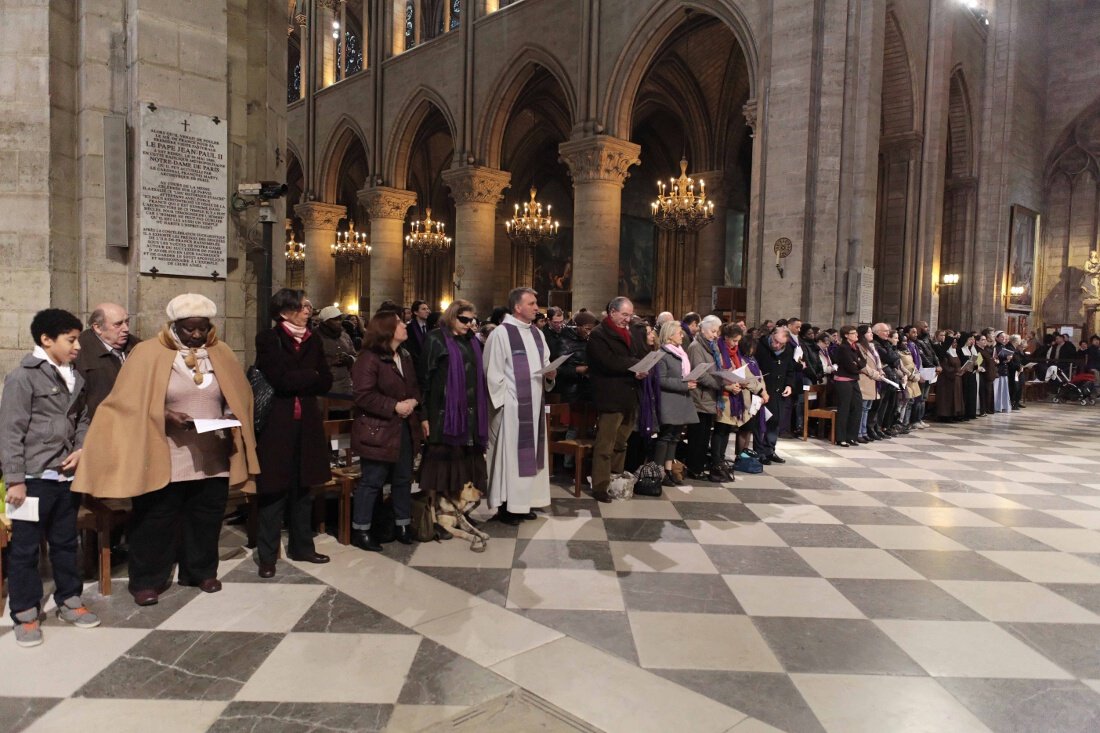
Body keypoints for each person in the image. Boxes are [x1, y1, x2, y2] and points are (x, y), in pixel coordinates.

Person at [74, 294, 259, 605]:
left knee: (206, 515)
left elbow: (239, 394)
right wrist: (165, 415)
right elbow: (126, 404)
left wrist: (229, 414)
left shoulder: (220, 351)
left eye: (202, 328)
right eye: (189, 329)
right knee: (155, 518)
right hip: (166, 451)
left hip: (212, 451)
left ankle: (200, 571)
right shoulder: (148, 352)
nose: (197, 335)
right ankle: (147, 580)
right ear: (175, 325)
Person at [1, 309, 97, 647]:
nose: (77, 347)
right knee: (25, 549)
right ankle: (25, 614)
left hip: (65, 477)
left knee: (66, 542)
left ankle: (69, 600)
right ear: (46, 339)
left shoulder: (74, 376)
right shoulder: (23, 377)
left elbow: (83, 419)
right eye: (71, 340)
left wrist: (83, 449)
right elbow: (10, 432)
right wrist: (15, 479)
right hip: (31, 478)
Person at [254, 289, 333, 577]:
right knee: (273, 491)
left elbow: (325, 380)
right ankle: (267, 556)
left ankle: (303, 547)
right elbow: (280, 380)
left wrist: (307, 378)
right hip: (277, 425)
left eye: (307, 306)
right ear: (284, 313)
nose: (307, 311)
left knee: (304, 490)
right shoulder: (268, 339)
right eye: (301, 307)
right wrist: (308, 377)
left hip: (307, 425)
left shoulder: (314, 339)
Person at [350, 310, 424, 550]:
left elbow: (414, 387)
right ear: (387, 329)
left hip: (403, 427)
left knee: (403, 478)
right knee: (373, 480)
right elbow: (363, 395)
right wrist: (394, 406)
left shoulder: (405, 355)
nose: (405, 326)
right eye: (400, 323)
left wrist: (414, 402)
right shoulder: (369, 358)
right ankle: (361, 530)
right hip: (378, 430)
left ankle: (402, 524)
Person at [485, 288, 557, 520]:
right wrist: (506, 402)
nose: (537, 308)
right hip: (512, 408)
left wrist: (551, 374)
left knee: (530, 457)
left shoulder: (537, 333)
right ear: (517, 307)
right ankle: (507, 507)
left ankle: (525, 503)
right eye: (532, 303)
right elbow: (492, 373)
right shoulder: (501, 334)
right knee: (511, 460)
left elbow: (545, 363)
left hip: (534, 406)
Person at [419, 299, 489, 513]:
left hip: (470, 415)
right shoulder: (436, 339)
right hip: (443, 415)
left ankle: (460, 512)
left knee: (465, 469)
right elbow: (425, 380)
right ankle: (440, 515)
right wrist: (423, 415)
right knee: (444, 470)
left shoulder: (473, 341)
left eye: (472, 320)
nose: (469, 324)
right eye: (464, 319)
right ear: (451, 317)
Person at [586, 296, 648, 502]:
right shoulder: (598, 334)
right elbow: (608, 362)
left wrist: (641, 367)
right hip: (610, 396)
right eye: (624, 315)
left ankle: (615, 478)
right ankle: (600, 486)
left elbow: (639, 354)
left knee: (621, 441)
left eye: (630, 315)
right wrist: (634, 366)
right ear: (612, 312)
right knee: (606, 443)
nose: (628, 319)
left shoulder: (630, 332)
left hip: (629, 395)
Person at [685, 316, 734, 480]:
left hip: (710, 398)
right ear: (703, 329)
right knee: (697, 437)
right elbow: (699, 374)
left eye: (717, 331)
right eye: (713, 331)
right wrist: (721, 383)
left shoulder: (712, 347)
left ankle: (699, 467)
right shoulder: (696, 347)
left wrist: (726, 374)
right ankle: (694, 468)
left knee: (705, 436)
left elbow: (716, 369)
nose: (715, 335)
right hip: (700, 397)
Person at [74, 302, 140, 419]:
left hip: (133, 422)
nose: (126, 329)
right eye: (118, 324)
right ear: (98, 328)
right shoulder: (78, 352)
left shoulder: (139, 347)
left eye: (127, 322)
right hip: (95, 427)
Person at [654, 321, 699, 486]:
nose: (682, 335)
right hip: (669, 400)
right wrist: (684, 384)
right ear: (670, 335)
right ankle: (658, 472)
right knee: (665, 436)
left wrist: (690, 381)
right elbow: (661, 380)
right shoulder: (662, 354)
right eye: (679, 332)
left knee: (674, 438)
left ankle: (668, 469)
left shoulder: (681, 353)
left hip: (682, 399)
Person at [717, 323, 762, 462]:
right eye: (734, 340)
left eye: (738, 341)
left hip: (734, 396)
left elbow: (743, 372)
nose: (736, 344)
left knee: (725, 431)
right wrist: (730, 386)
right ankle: (717, 461)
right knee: (720, 431)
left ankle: (721, 459)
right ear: (725, 338)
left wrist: (745, 383)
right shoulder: (719, 351)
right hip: (722, 396)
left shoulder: (735, 353)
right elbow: (717, 374)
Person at [753, 326, 799, 464]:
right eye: (775, 341)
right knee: (760, 424)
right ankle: (759, 452)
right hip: (763, 391)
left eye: (781, 344)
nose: (777, 345)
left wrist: (789, 385)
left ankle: (770, 450)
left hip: (779, 392)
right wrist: (760, 390)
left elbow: (790, 370)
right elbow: (754, 369)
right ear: (772, 335)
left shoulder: (788, 349)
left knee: (775, 422)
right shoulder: (760, 347)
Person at [831, 325, 866, 447]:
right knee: (844, 409)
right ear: (846, 335)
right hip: (843, 381)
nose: (856, 335)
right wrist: (857, 366)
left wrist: (857, 364)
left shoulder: (855, 347)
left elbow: (863, 362)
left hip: (853, 380)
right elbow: (850, 367)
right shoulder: (843, 348)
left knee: (857, 407)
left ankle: (852, 436)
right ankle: (841, 438)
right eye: (853, 333)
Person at [316, 305, 356, 399]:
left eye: (340, 319)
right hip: (325, 386)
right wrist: (331, 361)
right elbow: (310, 362)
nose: (339, 322)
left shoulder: (344, 336)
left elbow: (354, 355)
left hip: (345, 385)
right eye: (335, 319)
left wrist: (349, 359)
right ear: (326, 322)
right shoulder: (315, 336)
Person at [934, 333, 965, 421]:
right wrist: (955, 372)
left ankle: (955, 414)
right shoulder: (945, 354)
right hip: (946, 379)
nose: (955, 344)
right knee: (947, 398)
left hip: (956, 378)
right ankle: (945, 415)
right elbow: (945, 366)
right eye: (953, 343)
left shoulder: (955, 352)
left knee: (955, 397)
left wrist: (962, 370)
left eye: (956, 343)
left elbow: (958, 364)